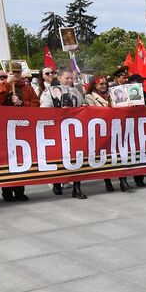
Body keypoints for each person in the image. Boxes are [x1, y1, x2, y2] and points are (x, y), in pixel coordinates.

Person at [0, 69, 37, 202]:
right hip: (3, 129)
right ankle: (7, 192)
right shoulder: (0, 86)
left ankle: (20, 191)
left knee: (20, 160)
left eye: (17, 72)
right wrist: (7, 85)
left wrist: (22, 103)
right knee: (6, 161)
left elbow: (36, 105)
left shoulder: (27, 89)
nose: (15, 75)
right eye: (12, 72)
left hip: (22, 128)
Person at [41, 69, 89, 200]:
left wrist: (83, 107)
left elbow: (82, 106)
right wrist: (58, 112)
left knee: (77, 157)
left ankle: (77, 188)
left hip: (73, 129)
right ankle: (56, 182)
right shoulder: (49, 92)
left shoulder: (76, 92)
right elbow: (43, 111)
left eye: (71, 78)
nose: (69, 81)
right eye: (67, 78)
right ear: (59, 78)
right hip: (56, 130)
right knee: (58, 157)